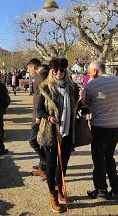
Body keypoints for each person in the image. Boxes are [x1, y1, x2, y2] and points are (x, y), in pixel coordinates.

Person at [37, 57, 79, 213]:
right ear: (52, 71)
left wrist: (83, 99)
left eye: (62, 70)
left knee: (63, 164)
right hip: (51, 132)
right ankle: (52, 195)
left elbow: (77, 107)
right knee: (51, 165)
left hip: (67, 132)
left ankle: (59, 188)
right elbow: (39, 110)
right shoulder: (46, 88)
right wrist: (48, 117)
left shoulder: (72, 87)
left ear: (66, 71)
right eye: (56, 70)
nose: (59, 73)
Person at [80, 60, 118, 200]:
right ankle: (117, 189)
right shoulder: (117, 80)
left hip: (100, 126)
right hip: (116, 125)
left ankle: (101, 189)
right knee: (109, 157)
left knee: (98, 160)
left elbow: (84, 106)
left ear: (95, 71)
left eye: (89, 72)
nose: (88, 75)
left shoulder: (91, 84)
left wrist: (83, 97)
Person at [27, 58, 49, 180]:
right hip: (38, 114)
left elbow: (42, 97)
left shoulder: (42, 76)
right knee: (39, 141)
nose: (28, 71)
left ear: (33, 67)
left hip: (39, 115)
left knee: (33, 141)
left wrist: (39, 116)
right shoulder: (42, 75)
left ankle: (47, 164)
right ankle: (43, 166)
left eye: (29, 68)